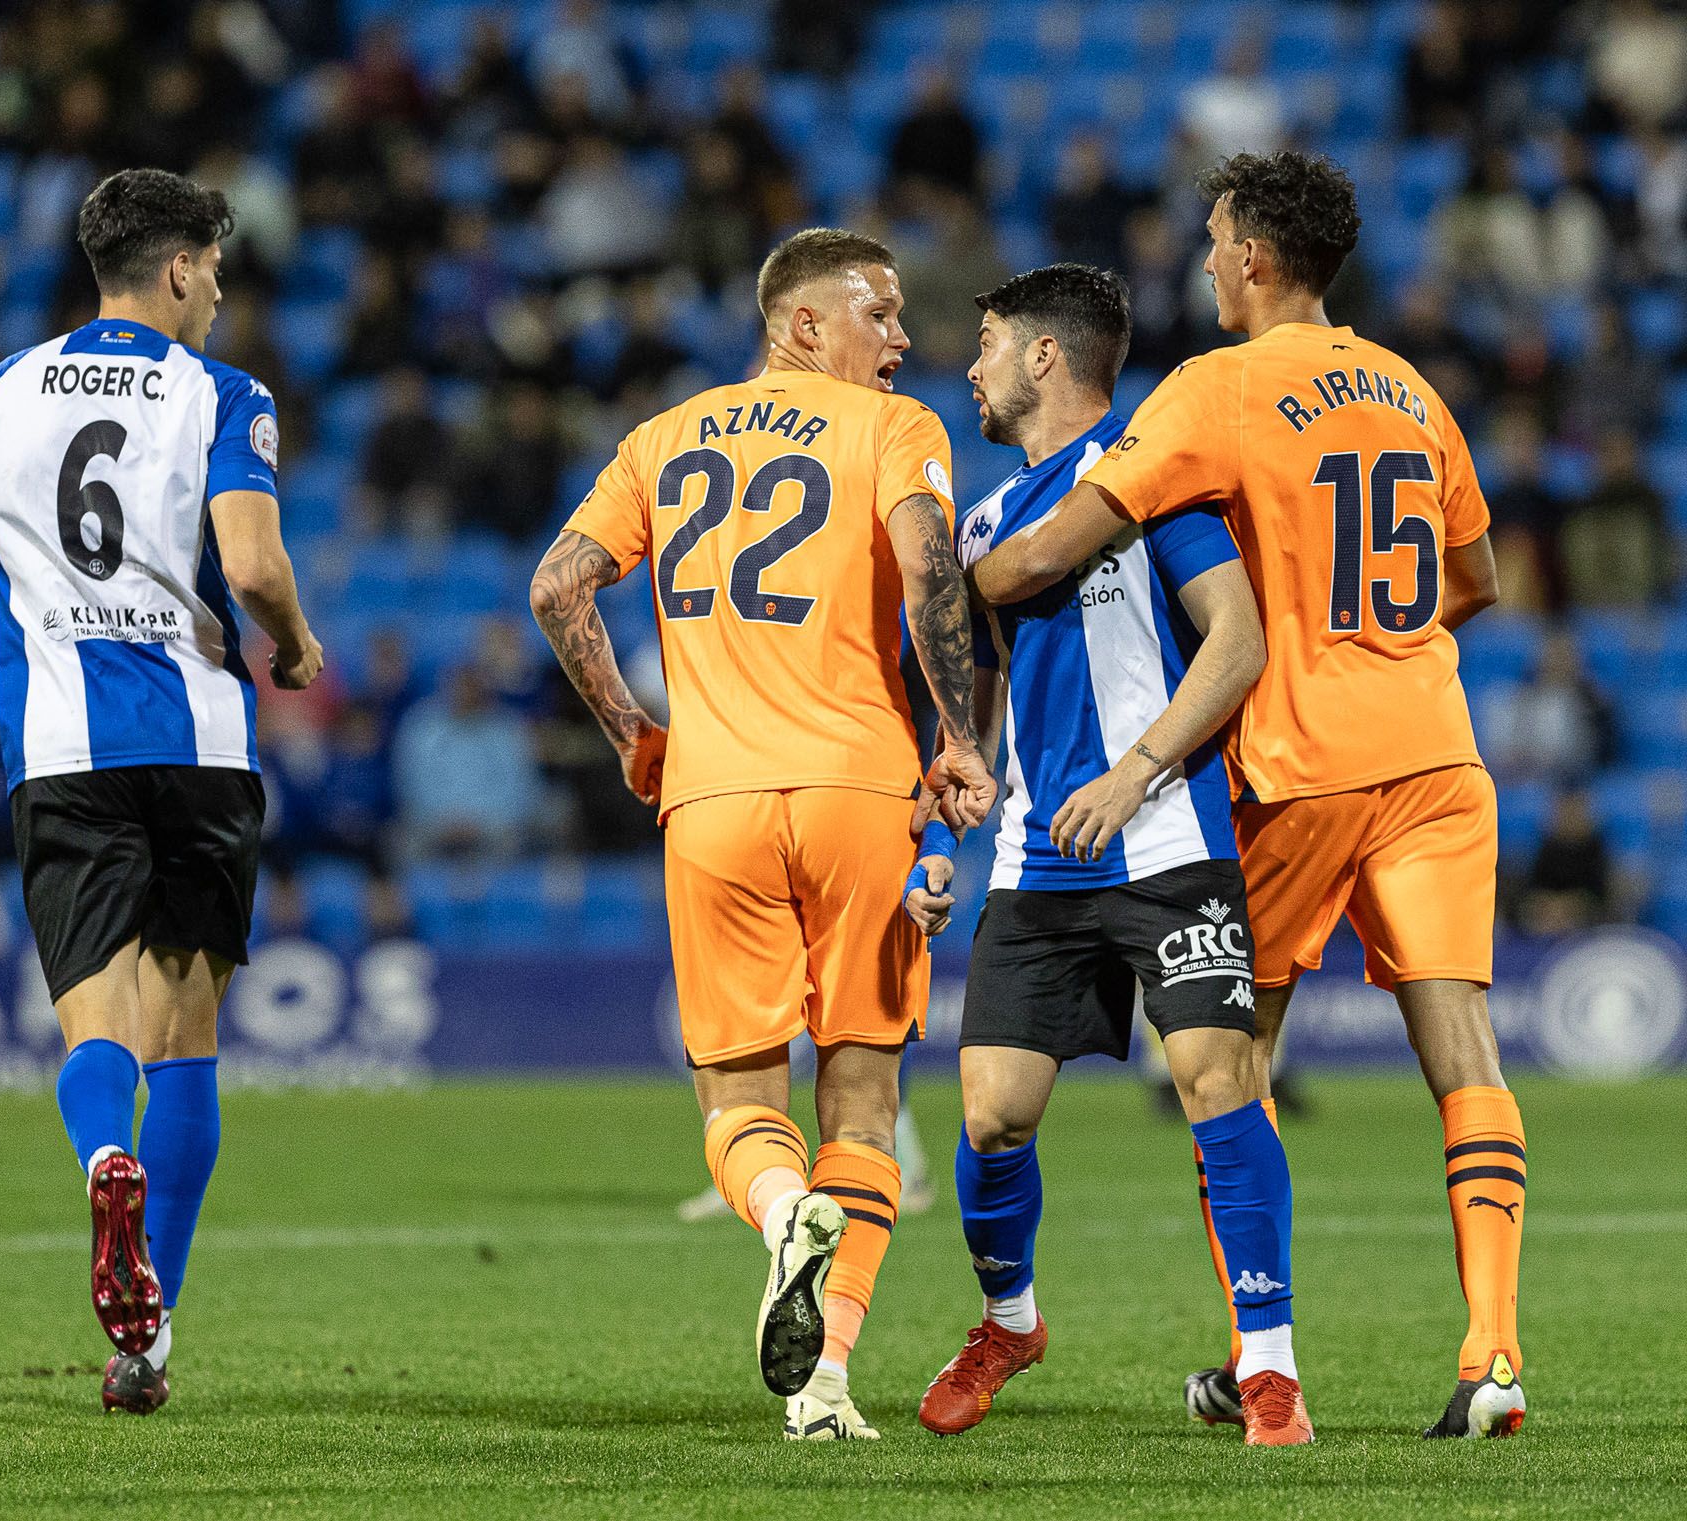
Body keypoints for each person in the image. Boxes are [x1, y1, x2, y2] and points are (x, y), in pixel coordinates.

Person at [968, 152, 1524, 1441]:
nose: (1206, 260)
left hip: (1295, 766)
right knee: (1466, 1055)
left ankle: (1258, 1356)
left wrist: (950, 575)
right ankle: (1492, 1353)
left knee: (1230, 1065)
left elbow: (1052, 547)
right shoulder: (1411, 387)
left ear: (1259, 260)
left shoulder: (1213, 390)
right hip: (1437, 755)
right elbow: (1476, 577)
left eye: (1217, 241)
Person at [529, 227, 994, 1441]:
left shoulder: (659, 438)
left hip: (714, 797)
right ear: (802, 325)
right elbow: (932, 571)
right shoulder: (896, 432)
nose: (902, 339)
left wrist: (635, 728)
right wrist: (960, 737)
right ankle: (825, 1380)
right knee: (864, 1105)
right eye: (878, 315)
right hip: (857, 793)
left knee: (738, 1104)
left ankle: (783, 1211)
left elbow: (557, 587)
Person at [0, 168, 324, 1416]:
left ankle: (105, 1157)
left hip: (65, 751)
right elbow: (250, 562)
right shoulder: (225, 395)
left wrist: (21, 598)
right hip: (199, 742)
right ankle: (148, 1346)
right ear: (179, 267)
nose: (223, 293)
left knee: (98, 1030)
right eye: (219, 271)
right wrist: (292, 643)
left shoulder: (1, 388)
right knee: (188, 1034)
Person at [900, 265, 1302, 1445]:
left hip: (1170, 842)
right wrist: (937, 842)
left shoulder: (1157, 480)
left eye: (983, 342)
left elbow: (1237, 645)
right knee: (990, 1120)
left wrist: (1136, 774)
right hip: (1036, 864)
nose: (967, 367)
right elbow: (963, 724)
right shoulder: (982, 525)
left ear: (1042, 357)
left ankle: (1269, 1368)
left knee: (1220, 1084)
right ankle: (1009, 1320)